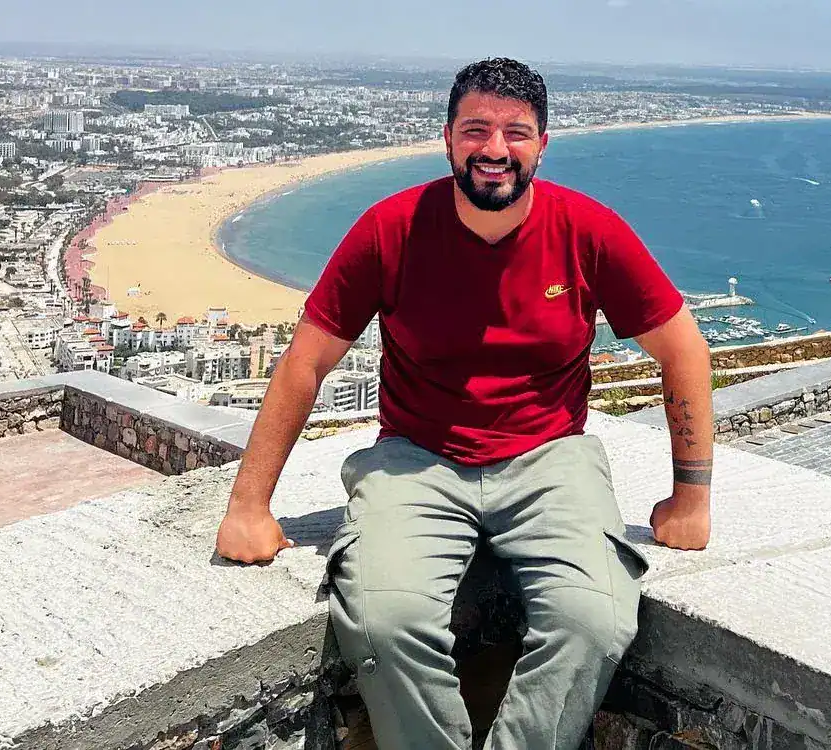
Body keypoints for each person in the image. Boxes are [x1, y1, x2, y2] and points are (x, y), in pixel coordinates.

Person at [215, 57, 713, 750]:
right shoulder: (391, 229)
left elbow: (683, 348)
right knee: (383, 621)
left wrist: (690, 499)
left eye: (516, 132)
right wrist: (248, 504)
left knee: (594, 619)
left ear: (543, 144)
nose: (495, 149)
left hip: (550, 458)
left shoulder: (587, 230)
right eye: (476, 129)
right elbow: (307, 362)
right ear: (448, 138)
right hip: (416, 458)